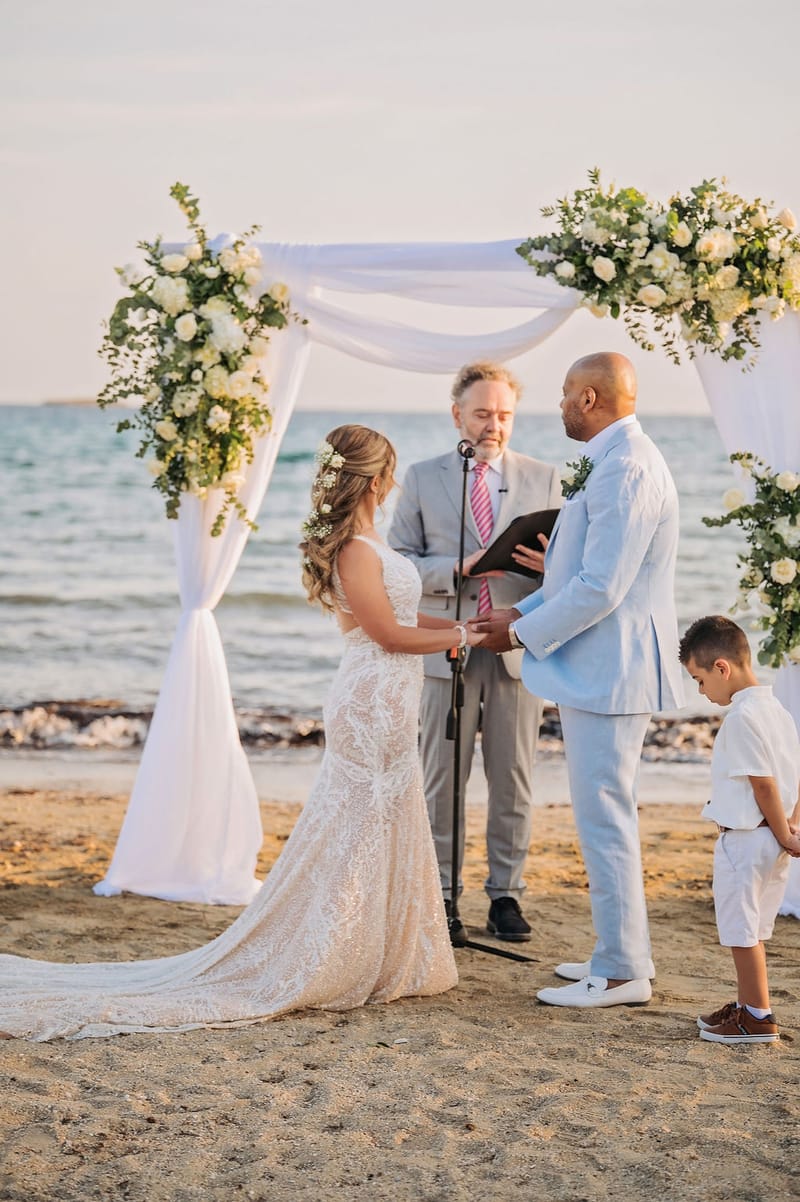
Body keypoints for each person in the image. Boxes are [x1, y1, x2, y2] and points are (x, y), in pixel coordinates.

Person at [0, 425, 485, 1041]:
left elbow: (402, 615)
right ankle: (335, 951)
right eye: (389, 470)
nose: (392, 481)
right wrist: (463, 636)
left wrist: (472, 623)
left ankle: (385, 949)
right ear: (375, 479)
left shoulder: (370, 543)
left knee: (387, 814)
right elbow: (387, 635)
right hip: (369, 701)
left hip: (392, 698)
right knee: (358, 821)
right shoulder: (354, 550)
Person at [472, 352, 684, 1006]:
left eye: (567, 392)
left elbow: (600, 587)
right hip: (599, 667)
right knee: (602, 814)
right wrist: (521, 612)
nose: (561, 404)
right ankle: (619, 952)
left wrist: (520, 633)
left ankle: (621, 972)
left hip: (611, 669)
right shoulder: (613, 459)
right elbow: (574, 575)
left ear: (589, 399)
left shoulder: (626, 467)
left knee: (604, 818)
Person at [389, 362, 561, 942]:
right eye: (483, 413)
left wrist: (552, 568)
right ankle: (441, 892)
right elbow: (397, 564)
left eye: (504, 415)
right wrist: (455, 568)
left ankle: (505, 895)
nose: (494, 425)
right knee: (443, 779)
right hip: (447, 646)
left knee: (514, 777)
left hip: (517, 647)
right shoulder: (421, 477)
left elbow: (573, 570)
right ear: (457, 414)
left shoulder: (545, 477)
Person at [678, 615, 800, 1044]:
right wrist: (791, 826)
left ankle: (757, 1017)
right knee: (755, 929)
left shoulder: (742, 718)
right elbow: (794, 776)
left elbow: (763, 783)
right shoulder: (778, 711)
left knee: (741, 932)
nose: (701, 691)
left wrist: (785, 834)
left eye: (699, 679)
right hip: (771, 838)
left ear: (722, 668)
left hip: (746, 840)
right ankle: (748, 1005)